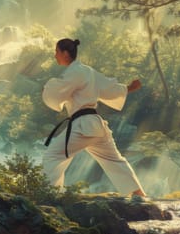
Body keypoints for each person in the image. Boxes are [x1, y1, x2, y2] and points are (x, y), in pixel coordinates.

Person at [41, 38, 146, 197]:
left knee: (52, 156)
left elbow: (58, 91)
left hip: (82, 126)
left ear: (65, 53)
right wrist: (130, 88)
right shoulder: (88, 71)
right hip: (96, 125)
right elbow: (109, 88)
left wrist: (48, 86)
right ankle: (138, 194)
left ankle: (51, 196)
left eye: (57, 52)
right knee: (115, 161)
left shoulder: (74, 72)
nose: (55, 55)